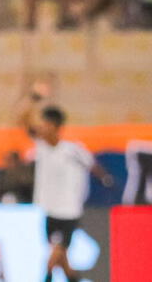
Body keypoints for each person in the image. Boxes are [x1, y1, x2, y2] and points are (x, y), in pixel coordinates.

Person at [17, 86, 113, 282]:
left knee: (55, 256)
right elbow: (23, 120)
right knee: (62, 260)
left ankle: (46, 278)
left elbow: (93, 166)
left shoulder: (73, 151)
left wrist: (105, 179)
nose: (41, 127)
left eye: (44, 123)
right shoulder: (42, 147)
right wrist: (33, 99)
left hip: (69, 211)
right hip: (49, 210)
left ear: (54, 126)